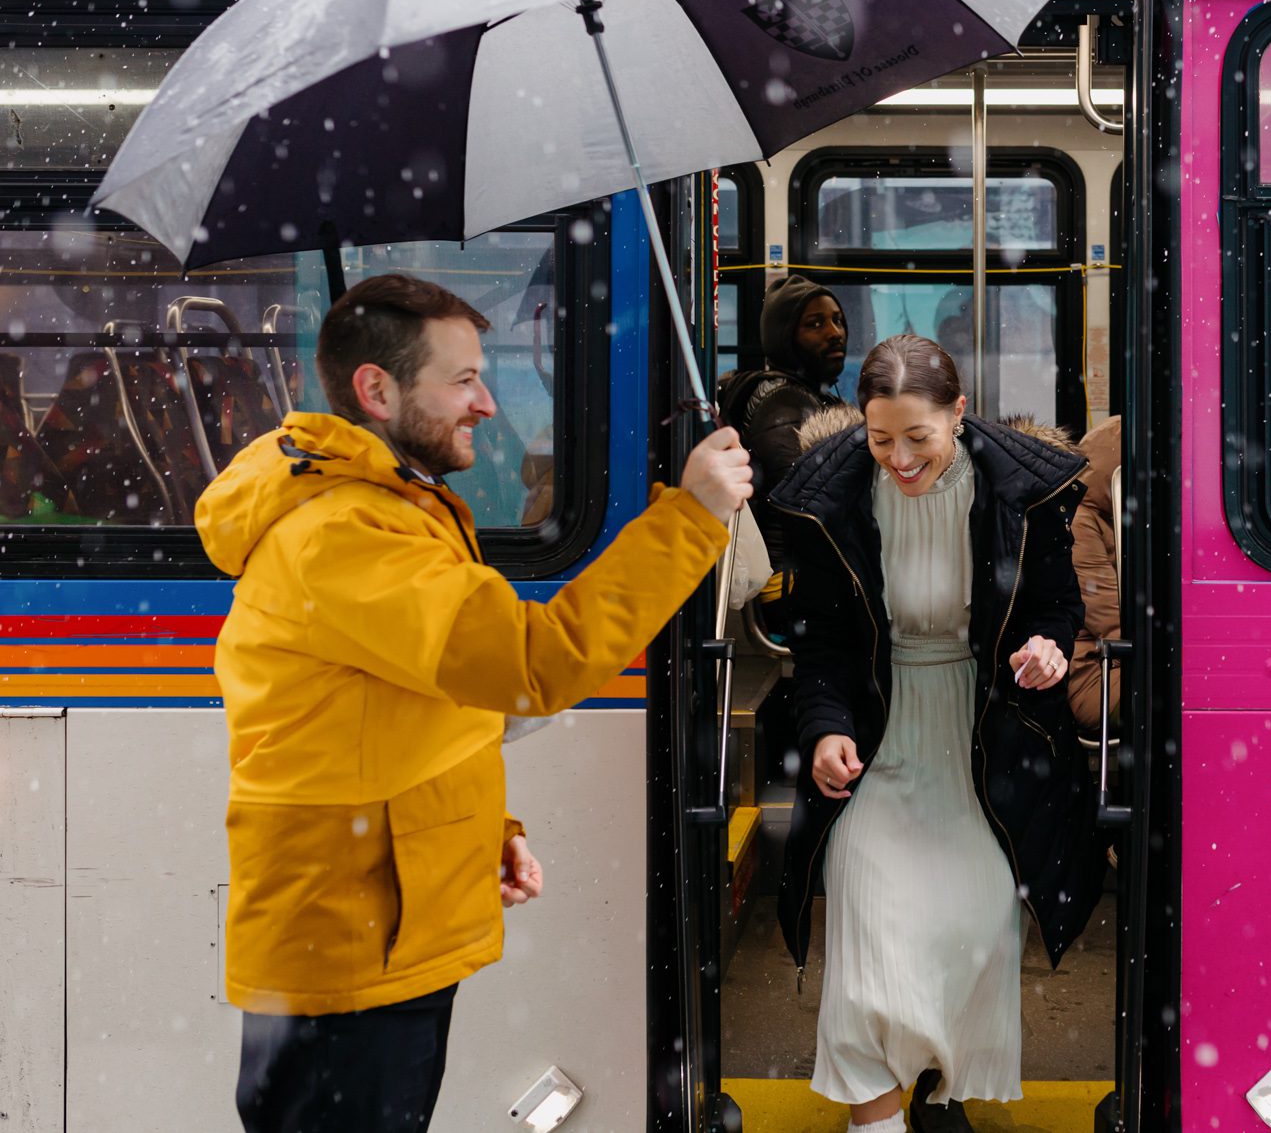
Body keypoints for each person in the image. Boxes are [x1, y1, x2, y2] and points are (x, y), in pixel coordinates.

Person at [194, 273, 752, 1133]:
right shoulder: (348, 533)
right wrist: (692, 517)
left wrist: (478, 833)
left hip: (373, 927)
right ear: (377, 390)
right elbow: (534, 663)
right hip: (352, 950)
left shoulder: (379, 511)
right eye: (463, 380)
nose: (487, 402)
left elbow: (399, 716)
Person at [768, 334, 1107, 1133]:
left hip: (982, 731)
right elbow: (819, 642)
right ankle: (876, 1119)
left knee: (975, 921)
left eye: (917, 437)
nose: (898, 458)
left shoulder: (1025, 492)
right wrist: (823, 731)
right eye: (879, 438)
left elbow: (1056, 604)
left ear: (959, 414)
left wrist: (1049, 647)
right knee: (868, 928)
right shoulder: (830, 498)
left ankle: (934, 1081)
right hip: (878, 731)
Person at [720, 275, 848, 625]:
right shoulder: (784, 405)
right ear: (785, 337)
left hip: (803, 573)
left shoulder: (807, 394)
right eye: (815, 324)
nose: (834, 332)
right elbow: (806, 506)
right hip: (789, 583)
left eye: (837, 320)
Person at [1067, 415, 1122, 731]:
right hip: (1094, 676)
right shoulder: (1079, 525)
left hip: (1111, 665)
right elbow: (1111, 620)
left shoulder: (1100, 518)